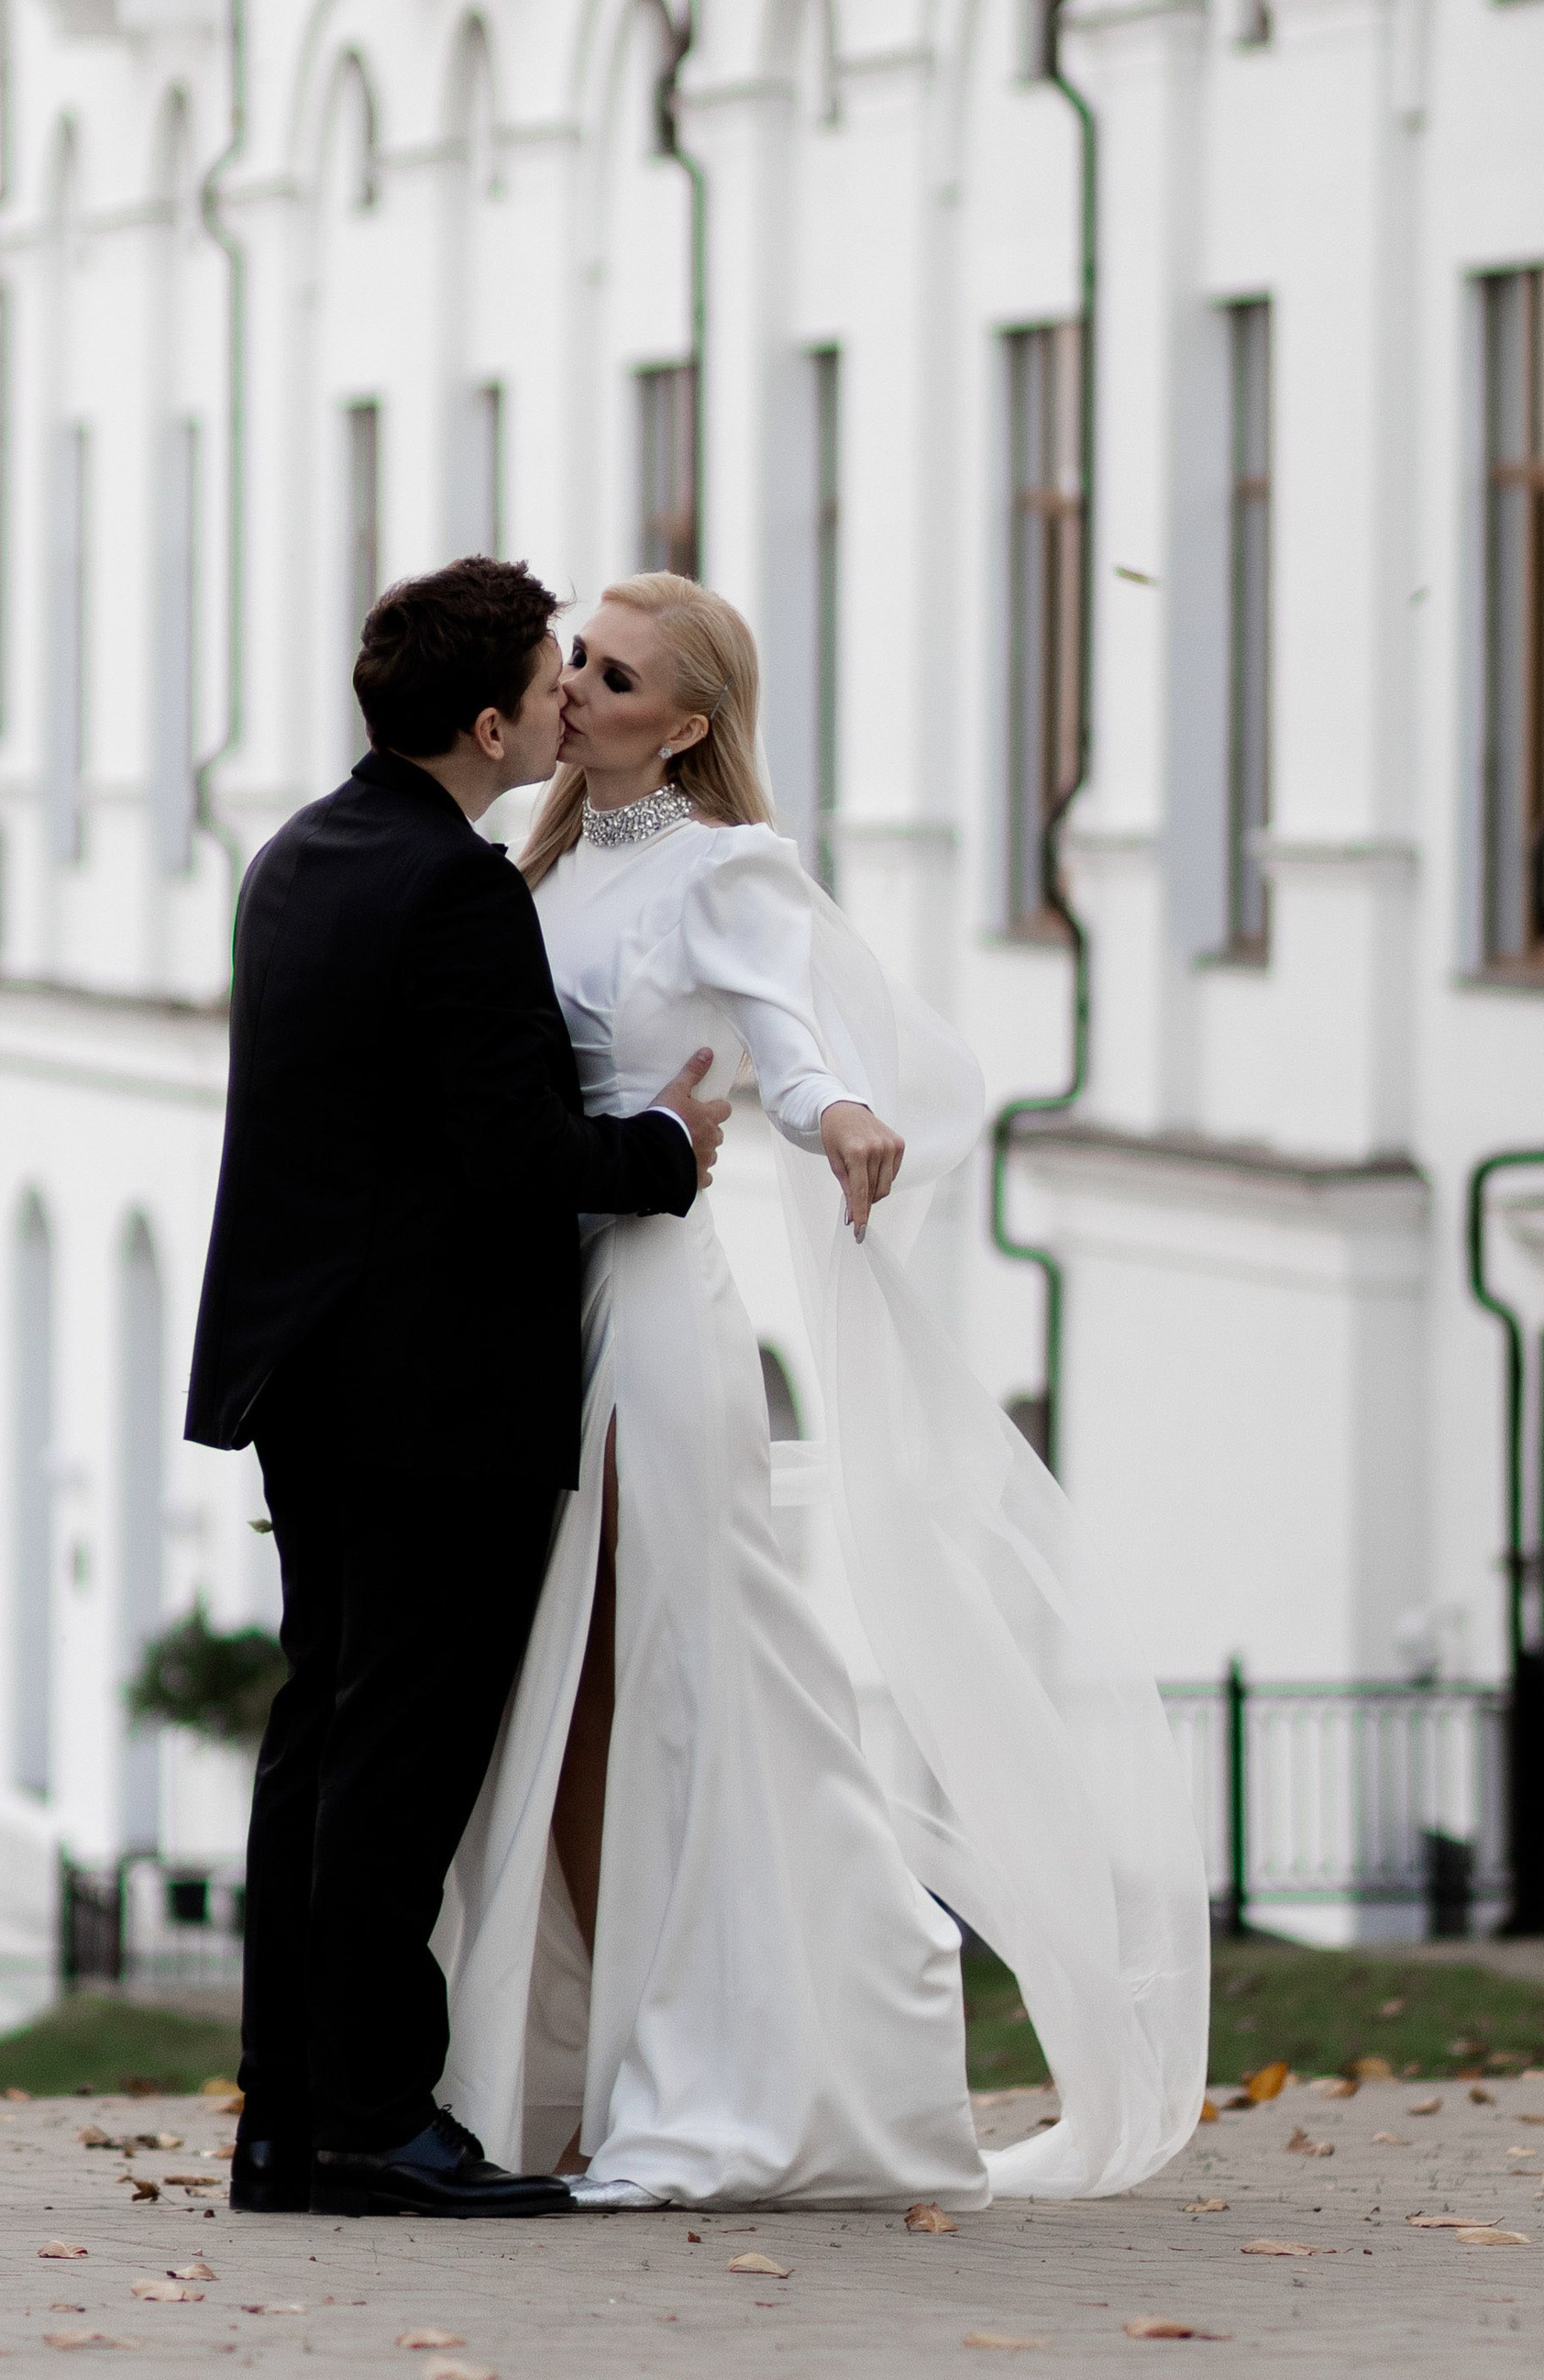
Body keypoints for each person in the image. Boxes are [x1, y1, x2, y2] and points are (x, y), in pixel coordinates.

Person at [435, 573, 1212, 2210]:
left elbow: (787, 1027)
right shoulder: (544, 857)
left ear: (692, 723)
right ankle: (581, 2068)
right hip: (543, 1291)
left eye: (616, 673)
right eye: (574, 656)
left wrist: (836, 1109)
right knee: (566, 1702)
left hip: (647, 1309)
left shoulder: (727, 867)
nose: (573, 687)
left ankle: (726, 2061)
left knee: (678, 1686)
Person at [183, 556, 728, 2221]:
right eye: (560, 677)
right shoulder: (458, 891)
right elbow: (514, 1158)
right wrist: (668, 1149)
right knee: (397, 1772)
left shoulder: (297, 857)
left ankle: (285, 2122)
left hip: (304, 1374)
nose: (577, 696)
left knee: (318, 1747)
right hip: (428, 1398)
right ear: (490, 724)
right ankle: (375, 2120)